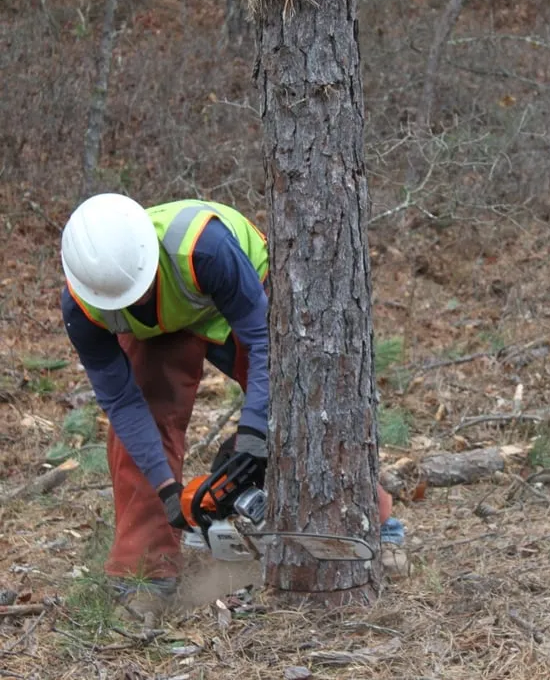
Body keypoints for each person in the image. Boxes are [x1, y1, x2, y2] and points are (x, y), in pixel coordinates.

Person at [60, 194, 399, 618]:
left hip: (243, 297)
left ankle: (371, 522)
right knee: (137, 431)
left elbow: (263, 343)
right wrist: (169, 491)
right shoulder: (84, 306)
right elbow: (124, 403)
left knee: (296, 403)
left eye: (139, 289)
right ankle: (144, 573)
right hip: (161, 328)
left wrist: (254, 437)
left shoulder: (204, 245)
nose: (135, 298)